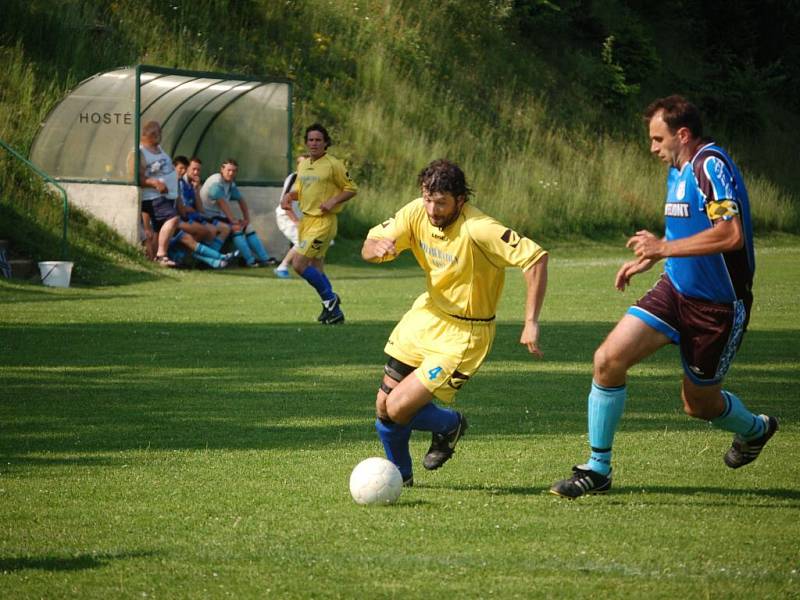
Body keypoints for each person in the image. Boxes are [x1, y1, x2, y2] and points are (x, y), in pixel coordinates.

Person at [550, 95, 778, 499]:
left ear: (683, 134)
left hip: (717, 308)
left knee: (698, 405)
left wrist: (663, 249)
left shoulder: (710, 165)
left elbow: (730, 234)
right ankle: (598, 469)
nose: (652, 147)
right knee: (607, 360)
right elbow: (683, 226)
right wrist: (651, 259)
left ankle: (756, 430)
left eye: (658, 139)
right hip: (674, 291)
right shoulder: (677, 170)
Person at [361, 159, 549, 486]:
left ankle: (449, 424)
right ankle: (400, 479)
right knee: (383, 406)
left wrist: (530, 320)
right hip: (426, 318)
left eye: (441, 202)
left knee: (398, 407)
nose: (432, 209)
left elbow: (535, 259)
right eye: (428, 199)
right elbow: (369, 245)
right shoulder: (415, 213)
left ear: (460, 200)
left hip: (465, 333)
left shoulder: (479, 228)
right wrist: (374, 247)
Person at [282, 124, 357, 323]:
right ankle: (330, 309)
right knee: (317, 268)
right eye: (310, 140)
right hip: (306, 221)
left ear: (325, 143)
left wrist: (333, 201)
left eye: (318, 140)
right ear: (306, 143)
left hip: (323, 222)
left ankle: (331, 301)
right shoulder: (304, 165)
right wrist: (288, 197)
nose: (314, 143)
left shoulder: (334, 164)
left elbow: (351, 188)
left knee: (298, 264)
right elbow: (300, 190)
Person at [199, 158, 277, 268]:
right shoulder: (216, 181)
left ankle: (265, 259)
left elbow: (241, 200)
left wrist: (246, 219)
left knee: (247, 227)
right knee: (236, 228)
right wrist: (234, 221)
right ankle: (250, 261)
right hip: (207, 216)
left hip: (219, 216)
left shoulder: (230, 183)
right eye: (229, 170)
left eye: (234, 171)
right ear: (222, 169)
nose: (231, 173)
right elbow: (222, 204)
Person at [138, 121, 181, 266]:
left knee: (158, 229)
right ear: (146, 134)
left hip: (166, 196)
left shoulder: (158, 149)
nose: (159, 136)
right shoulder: (140, 152)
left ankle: (155, 262)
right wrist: (156, 183)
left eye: (159, 132)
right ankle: (162, 255)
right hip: (153, 196)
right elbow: (138, 177)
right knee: (173, 219)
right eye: (155, 133)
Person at [174, 156, 231, 254]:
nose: (196, 173)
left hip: (196, 216)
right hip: (185, 218)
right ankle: (207, 257)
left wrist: (196, 190)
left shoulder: (193, 184)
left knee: (225, 228)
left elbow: (200, 209)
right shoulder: (180, 183)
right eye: (193, 169)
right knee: (212, 231)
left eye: (198, 170)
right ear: (187, 168)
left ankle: (209, 257)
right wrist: (188, 209)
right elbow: (182, 208)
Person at [273, 154, 308, 278]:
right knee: (302, 241)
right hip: (286, 216)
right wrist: (296, 222)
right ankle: (282, 267)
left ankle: (307, 267)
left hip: (295, 215)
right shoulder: (295, 180)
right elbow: (286, 204)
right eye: (300, 163)